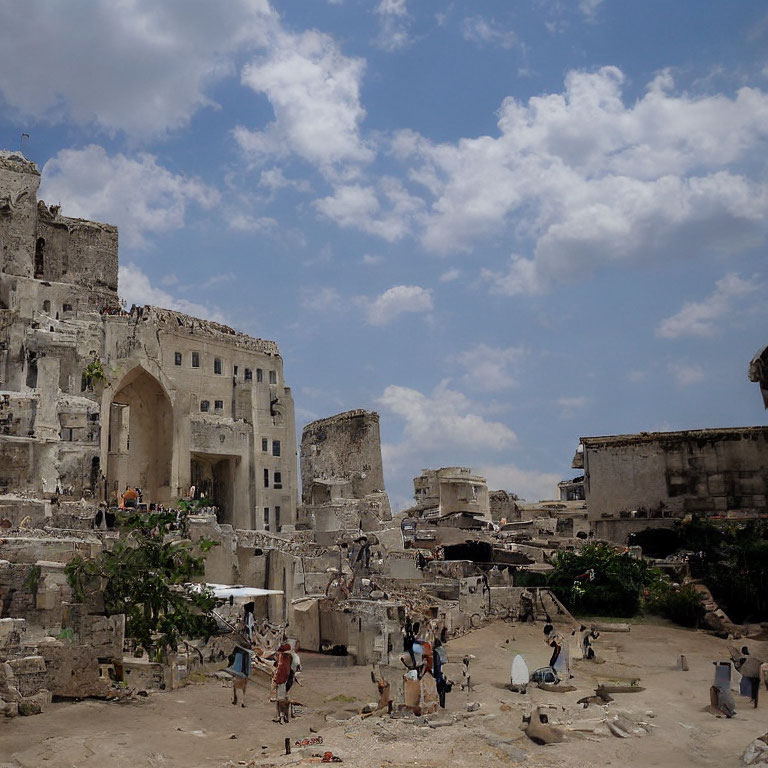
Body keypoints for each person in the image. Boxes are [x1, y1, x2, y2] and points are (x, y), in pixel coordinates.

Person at [273, 643, 292, 723]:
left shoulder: (284, 658)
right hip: (285, 680)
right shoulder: (287, 658)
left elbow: (281, 670)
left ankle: (282, 716)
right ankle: (281, 716)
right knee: (280, 699)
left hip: (282, 680)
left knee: (281, 699)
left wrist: (276, 680)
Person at [432, 639, 450, 708]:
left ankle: (440, 705)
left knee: (439, 689)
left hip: (439, 672)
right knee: (443, 689)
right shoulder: (442, 650)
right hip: (444, 670)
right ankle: (443, 705)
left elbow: (436, 664)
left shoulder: (435, 652)